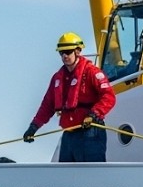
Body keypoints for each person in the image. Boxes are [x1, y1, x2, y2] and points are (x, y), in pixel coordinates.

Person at [22, 32, 116, 162]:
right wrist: (33, 127)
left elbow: (109, 96)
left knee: (92, 176)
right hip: (69, 134)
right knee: (66, 177)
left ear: (78, 51)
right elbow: (47, 105)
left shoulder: (92, 73)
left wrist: (94, 115)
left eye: (68, 51)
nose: (64, 56)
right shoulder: (58, 78)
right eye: (61, 53)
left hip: (90, 133)